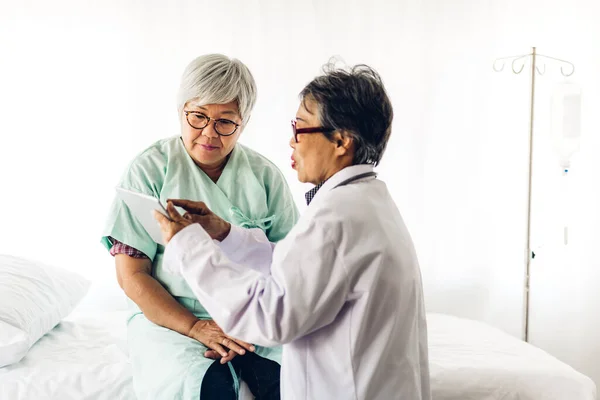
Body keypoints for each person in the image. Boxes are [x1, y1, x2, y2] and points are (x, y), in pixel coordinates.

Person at [155, 62, 431, 399]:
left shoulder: (336, 219)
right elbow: (303, 269)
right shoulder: (369, 203)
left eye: (300, 128)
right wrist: (227, 234)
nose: (292, 140)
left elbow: (268, 316)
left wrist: (189, 246)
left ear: (341, 142)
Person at [101, 54, 299, 399]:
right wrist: (195, 327)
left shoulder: (266, 177)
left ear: (244, 122)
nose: (209, 133)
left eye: (226, 122)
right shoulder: (149, 171)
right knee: (207, 386)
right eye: (198, 117)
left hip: (253, 317)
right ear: (182, 111)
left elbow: (291, 268)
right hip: (171, 320)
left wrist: (251, 325)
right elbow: (132, 275)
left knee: (290, 380)